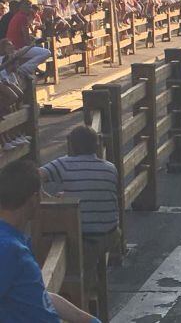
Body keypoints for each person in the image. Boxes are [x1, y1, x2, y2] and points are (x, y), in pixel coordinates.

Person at [0, 160, 102, 323]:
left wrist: (87, 320)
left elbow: (37, 295)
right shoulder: (7, 248)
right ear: (34, 199)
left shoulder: (15, 239)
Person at [40, 126, 120, 287]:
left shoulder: (64, 163)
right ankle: (94, 284)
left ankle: (81, 295)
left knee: (54, 242)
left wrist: (47, 198)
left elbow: (34, 177)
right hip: (111, 235)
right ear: (96, 146)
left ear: (71, 145)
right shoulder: (110, 167)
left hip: (86, 239)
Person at [4, 0, 51, 79]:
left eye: (30, 6)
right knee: (46, 53)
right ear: (22, 7)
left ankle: (26, 69)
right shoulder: (23, 17)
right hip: (18, 48)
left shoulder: (17, 15)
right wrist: (33, 43)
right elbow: (26, 38)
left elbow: (22, 34)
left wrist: (32, 40)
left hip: (14, 46)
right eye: (28, 6)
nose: (30, 8)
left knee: (37, 49)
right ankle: (24, 69)